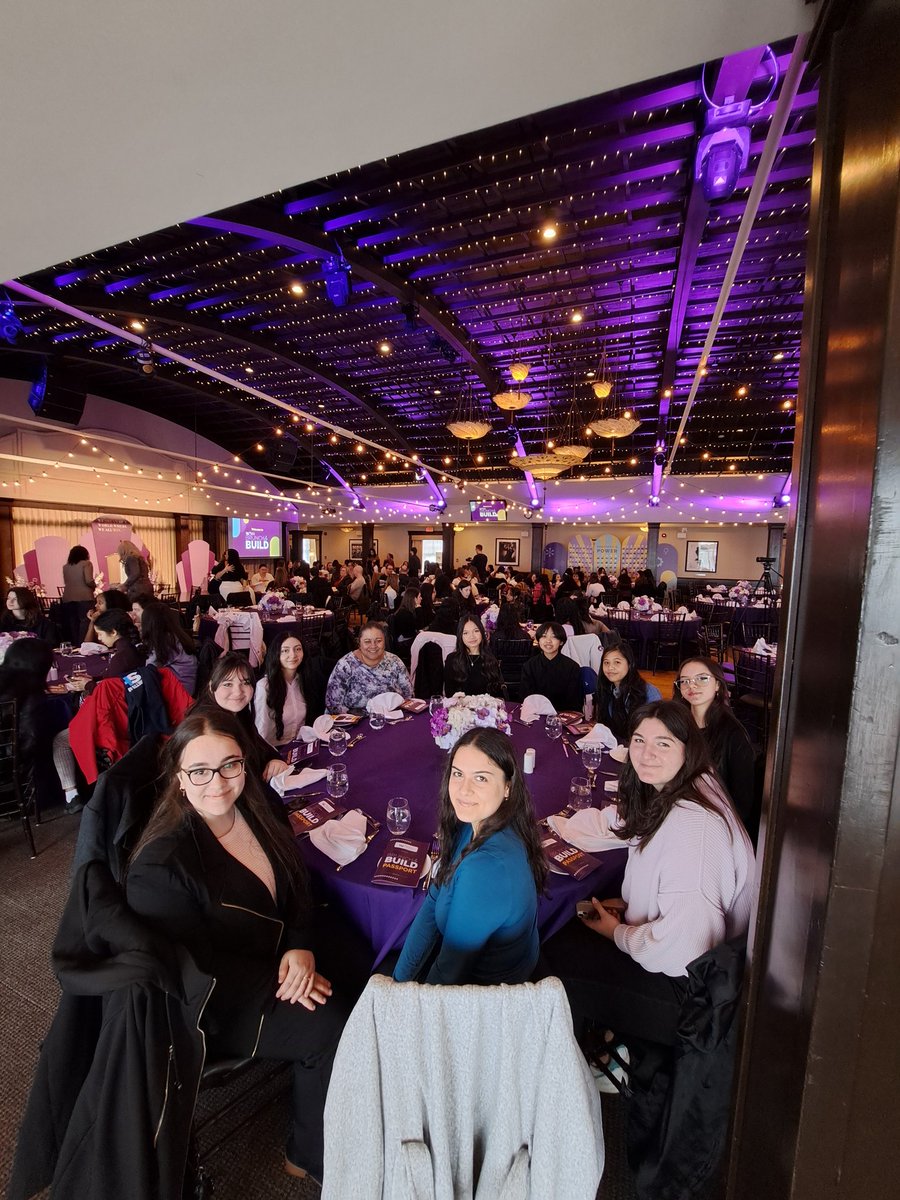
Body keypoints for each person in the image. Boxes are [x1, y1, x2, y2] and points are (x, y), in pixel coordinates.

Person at [125, 708, 348, 1182]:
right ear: (179, 778)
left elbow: (296, 879)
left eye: (230, 765)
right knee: (328, 1027)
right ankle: (306, 1155)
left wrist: (300, 945)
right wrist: (286, 981)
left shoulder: (255, 803)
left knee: (363, 961)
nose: (219, 782)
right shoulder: (162, 865)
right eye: (200, 771)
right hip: (215, 1001)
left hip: (274, 953)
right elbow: (193, 971)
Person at [541, 701, 755, 1047]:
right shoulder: (693, 783)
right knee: (571, 930)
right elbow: (634, 834)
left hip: (691, 997)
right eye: (639, 740)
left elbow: (685, 946)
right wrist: (631, 909)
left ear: (688, 748)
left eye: (663, 743)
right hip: (686, 963)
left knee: (551, 964)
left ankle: (594, 1057)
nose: (646, 754)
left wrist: (618, 933)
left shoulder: (693, 826)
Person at [394, 727, 547, 985]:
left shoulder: (486, 870)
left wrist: (399, 1002)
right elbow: (434, 899)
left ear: (508, 787)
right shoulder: (476, 823)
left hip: (487, 997)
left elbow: (448, 973)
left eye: (481, 778)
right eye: (458, 774)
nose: (464, 790)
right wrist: (399, 981)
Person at [673, 656, 758, 839]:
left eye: (702, 678)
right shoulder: (677, 725)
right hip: (677, 814)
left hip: (715, 826)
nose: (692, 685)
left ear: (718, 685)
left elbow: (742, 802)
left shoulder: (733, 734)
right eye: (685, 681)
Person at [0, 638, 80, 811]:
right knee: (54, 737)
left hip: (4, 755)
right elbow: (30, 742)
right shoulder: (29, 694)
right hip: (6, 765)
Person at [192, 651, 293, 782]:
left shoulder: (240, 715)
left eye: (245, 683)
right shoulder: (208, 728)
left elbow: (262, 747)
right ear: (212, 687)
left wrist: (274, 761)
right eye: (228, 684)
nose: (238, 692)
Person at [324, 621, 412, 712]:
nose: (373, 646)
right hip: (355, 719)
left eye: (378, 641)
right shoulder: (345, 666)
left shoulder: (395, 661)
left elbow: (409, 695)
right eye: (367, 641)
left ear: (385, 642)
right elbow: (333, 705)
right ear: (359, 643)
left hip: (392, 716)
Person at [254, 632, 313, 747]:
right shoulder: (265, 687)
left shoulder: (304, 681)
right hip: (274, 750)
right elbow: (261, 732)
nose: (293, 655)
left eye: (298, 649)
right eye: (285, 650)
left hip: (300, 745)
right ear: (276, 654)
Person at [595, 640, 661, 740]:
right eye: (606, 663)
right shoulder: (606, 688)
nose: (610, 667)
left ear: (630, 664)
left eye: (617, 662)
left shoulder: (649, 692)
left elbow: (656, 730)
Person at [519, 621, 584, 713]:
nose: (548, 641)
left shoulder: (572, 667)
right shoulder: (529, 666)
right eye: (544, 636)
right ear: (538, 640)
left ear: (561, 642)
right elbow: (526, 697)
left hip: (563, 715)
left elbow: (575, 702)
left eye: (554, 637)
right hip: (536, 714)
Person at [139, 601, 198, 695]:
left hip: (181, 693)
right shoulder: (174, 635)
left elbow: (150, 670)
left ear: (148, 623)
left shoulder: (165, 641)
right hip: (185, 687)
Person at [443, 614, 506, 699]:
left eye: (476, 631)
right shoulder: (452, 660)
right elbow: (449, 694)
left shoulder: (490, 659)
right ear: (460, 636)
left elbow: (497, 695)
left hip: (487, 707)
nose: (472, 636)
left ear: (482, 632)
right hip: (460, 707)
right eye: (466, 633)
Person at [87, 610, 145, 688]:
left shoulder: (122, 657)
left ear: (113, 632)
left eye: (100, 634)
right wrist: (93, 679)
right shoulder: (130, 648)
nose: (99, 638)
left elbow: (110, 689)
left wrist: (87, 685)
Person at [60, 545, 95, 643]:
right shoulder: (86, 564)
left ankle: (74, 643)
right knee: (85, 620)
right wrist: (94, 586)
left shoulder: (65, 567)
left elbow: (66, 582)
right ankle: (83, 643)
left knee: (73, 622)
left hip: (68, 597)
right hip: (84, 596)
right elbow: (88, 580)